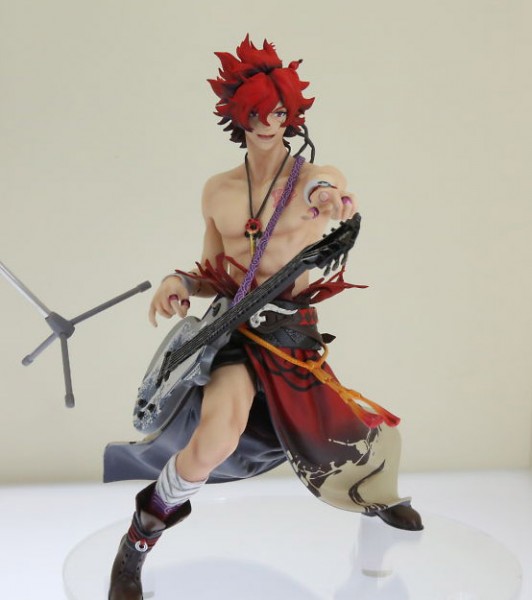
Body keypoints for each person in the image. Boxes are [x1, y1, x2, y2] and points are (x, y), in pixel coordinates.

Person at [108, 35, 422, 600]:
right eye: (254, 114)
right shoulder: (218, 191)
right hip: (235, 333)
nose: (267, 124)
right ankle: (138, 540)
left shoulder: (314, 179)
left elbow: (330, 193)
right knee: (214, 439)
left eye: (278, 112)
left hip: (289, 334)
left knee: (341, 436)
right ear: (237, 117)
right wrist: (181, 283)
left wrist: (328, 201)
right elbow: (212, 270)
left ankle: (377, 498)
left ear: (292, 115)